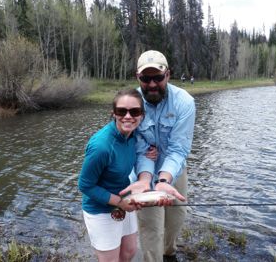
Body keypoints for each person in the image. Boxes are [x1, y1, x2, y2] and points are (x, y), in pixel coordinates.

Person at [121, 50, 196, 262]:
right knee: (151, 228)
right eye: (146, 78)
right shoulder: (131, 104)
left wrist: (163, 179)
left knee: (175, 220)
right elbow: (139, 149)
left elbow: (179, 149)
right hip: (142, 174)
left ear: (168, 75)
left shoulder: (184, 102)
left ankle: (169, 254)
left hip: (175, 171)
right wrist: (146, 179)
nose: (152, 84)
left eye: (158, 77)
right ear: (138, 78)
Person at [78, 89, 146, 262]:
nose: (128, 116)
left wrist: (149, 153)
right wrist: (119, 202)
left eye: (135, 111)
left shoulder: (133, 135)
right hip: (100, 209)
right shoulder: (101, 146)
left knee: (129, 252)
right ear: (114, 114)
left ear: (142, 115)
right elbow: (85, 186)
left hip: (125, 201)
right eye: (122, 111)